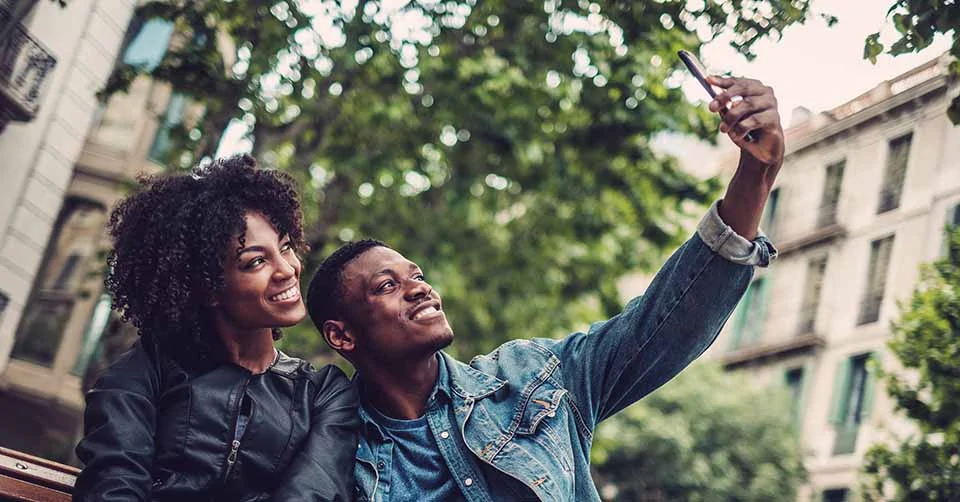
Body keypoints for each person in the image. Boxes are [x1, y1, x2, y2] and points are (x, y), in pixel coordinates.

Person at [305, 75, 783, 502]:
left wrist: (755, 176)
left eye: (418, 276)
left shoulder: (535, 379)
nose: (421, 290)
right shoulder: (332, 456)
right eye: (388, 285)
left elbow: (665, 325)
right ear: (342, 336)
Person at [74, 155, 359, 502]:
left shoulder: (322, 394)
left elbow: (312, 494)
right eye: (256, 261)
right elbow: (113, 489)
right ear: (208, 286)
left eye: (285, 248)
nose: (286, 269)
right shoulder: (144, 374)